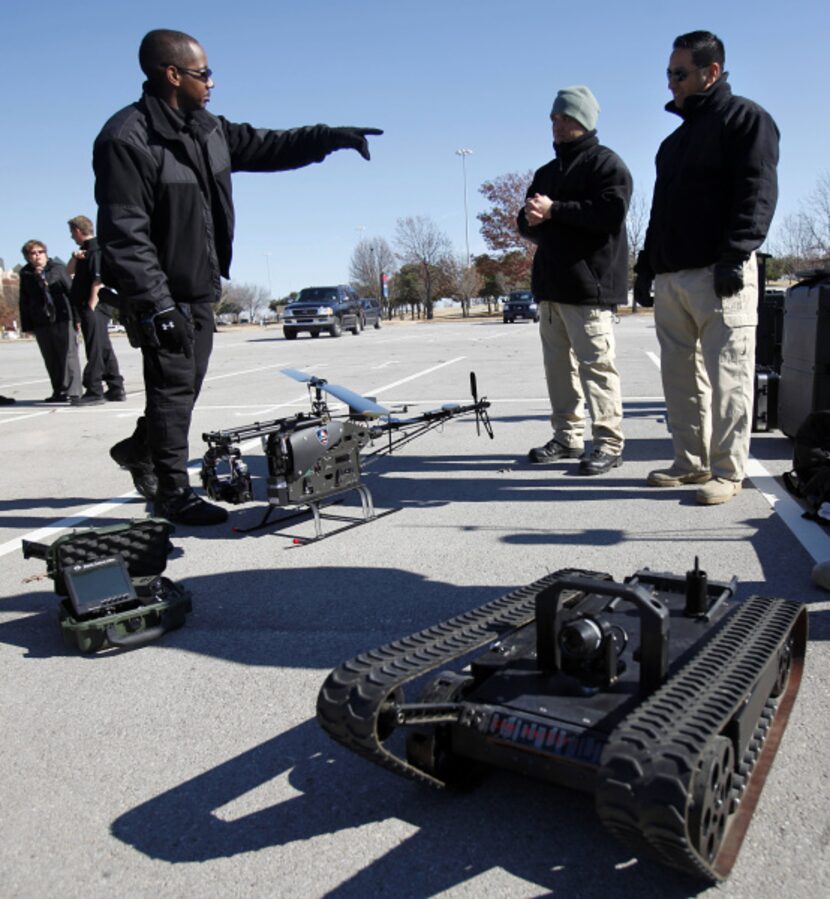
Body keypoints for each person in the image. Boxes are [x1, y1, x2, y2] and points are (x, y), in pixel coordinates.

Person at [94, 28, 382, 525]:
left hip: (198, 287)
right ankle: (172, 492)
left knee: (182, 389)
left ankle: (142, 450)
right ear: (172, 75)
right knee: (172, 390)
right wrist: (157, 303)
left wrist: (326, 138)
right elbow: (124, 232)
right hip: (162, 295)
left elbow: (267, 145)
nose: (211, 81)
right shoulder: (127, 138)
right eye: (203, 73)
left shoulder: (205, 128)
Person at [634, 31, 780, 505]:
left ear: (710, 72)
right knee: (679, 377)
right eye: (669, 74)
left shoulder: (746, 120)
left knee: (728, 375)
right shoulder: (673, 144)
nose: (671, 83)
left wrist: (736, 254)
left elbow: (756, 193)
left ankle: (727, 470)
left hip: (721, 273)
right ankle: (690, 462)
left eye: (680, 74)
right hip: (672, 276)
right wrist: (645, 267)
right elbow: (659, 212)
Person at [518, 86, 631, 476]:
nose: (556, 124)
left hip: (589, 290)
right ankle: (568, 438)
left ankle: (608, 443)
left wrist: (555, 211)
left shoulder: (606, 165)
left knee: (596, 368)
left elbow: (609, 214)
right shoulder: (547, 172)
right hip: (551, 288)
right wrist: (531, 218)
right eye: (553, 117)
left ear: (583, 121)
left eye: (564, 117)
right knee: (558, 370)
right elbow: (526, 220)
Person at [66, 215, 126, 405]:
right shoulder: (84, 251)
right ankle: (116, 387)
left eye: (72, 233)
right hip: (90, 304)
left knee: (94, 347)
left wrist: (92, 304)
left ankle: (94, 390)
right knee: (103, 345)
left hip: (95, 305)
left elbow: (98, 280)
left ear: (77, 231)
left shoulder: (96, 249)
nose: (71, 237)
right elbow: (69, 273)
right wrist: (74, 258)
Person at [18, 240, 81, 402]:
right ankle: (58, 391)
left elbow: (72, 293)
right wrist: (27, 325)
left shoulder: (57, 269)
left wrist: (77, 318)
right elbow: (24, 300)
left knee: (68, 355)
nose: (38, 255)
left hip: (62, 317)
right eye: (33, 253)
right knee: (51, 357)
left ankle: (74, 391)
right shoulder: (26, 274)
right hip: (41, 321)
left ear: (46, 253)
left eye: (41, 251)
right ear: (28, 257)